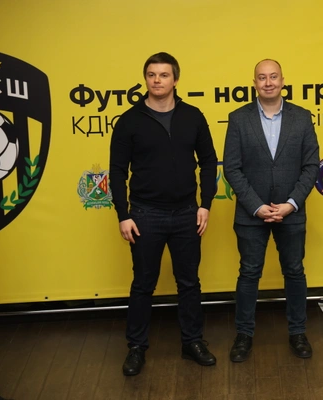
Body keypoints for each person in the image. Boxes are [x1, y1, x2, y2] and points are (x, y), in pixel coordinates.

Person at [109, 52, 218, 375]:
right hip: (145, 215)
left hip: (187, 213)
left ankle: (192, 342)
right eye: (152, 75)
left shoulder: (193, 116)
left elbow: (209, 162)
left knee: (189, 283)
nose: (157, 80)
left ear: (176, 80)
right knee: (143, 284)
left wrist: (205, 204)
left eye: (164, 75)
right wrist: (123, 214)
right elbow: (117, 172)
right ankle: (136, 348)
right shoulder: (129, 120)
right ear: (146, 79)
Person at [223, 59, 319, 363]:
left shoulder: (302, 118)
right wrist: (256, 206)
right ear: (254, 83)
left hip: (291, 212)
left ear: (282, 81)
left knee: (294, 271)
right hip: (251, 214)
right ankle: (244, 335)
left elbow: (311, 166)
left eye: (273, 76)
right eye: (262, 77)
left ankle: (298, 332)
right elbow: (232, 168)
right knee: (249, 273)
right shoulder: (238, 119)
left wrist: (291, 204)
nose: (268, 82)